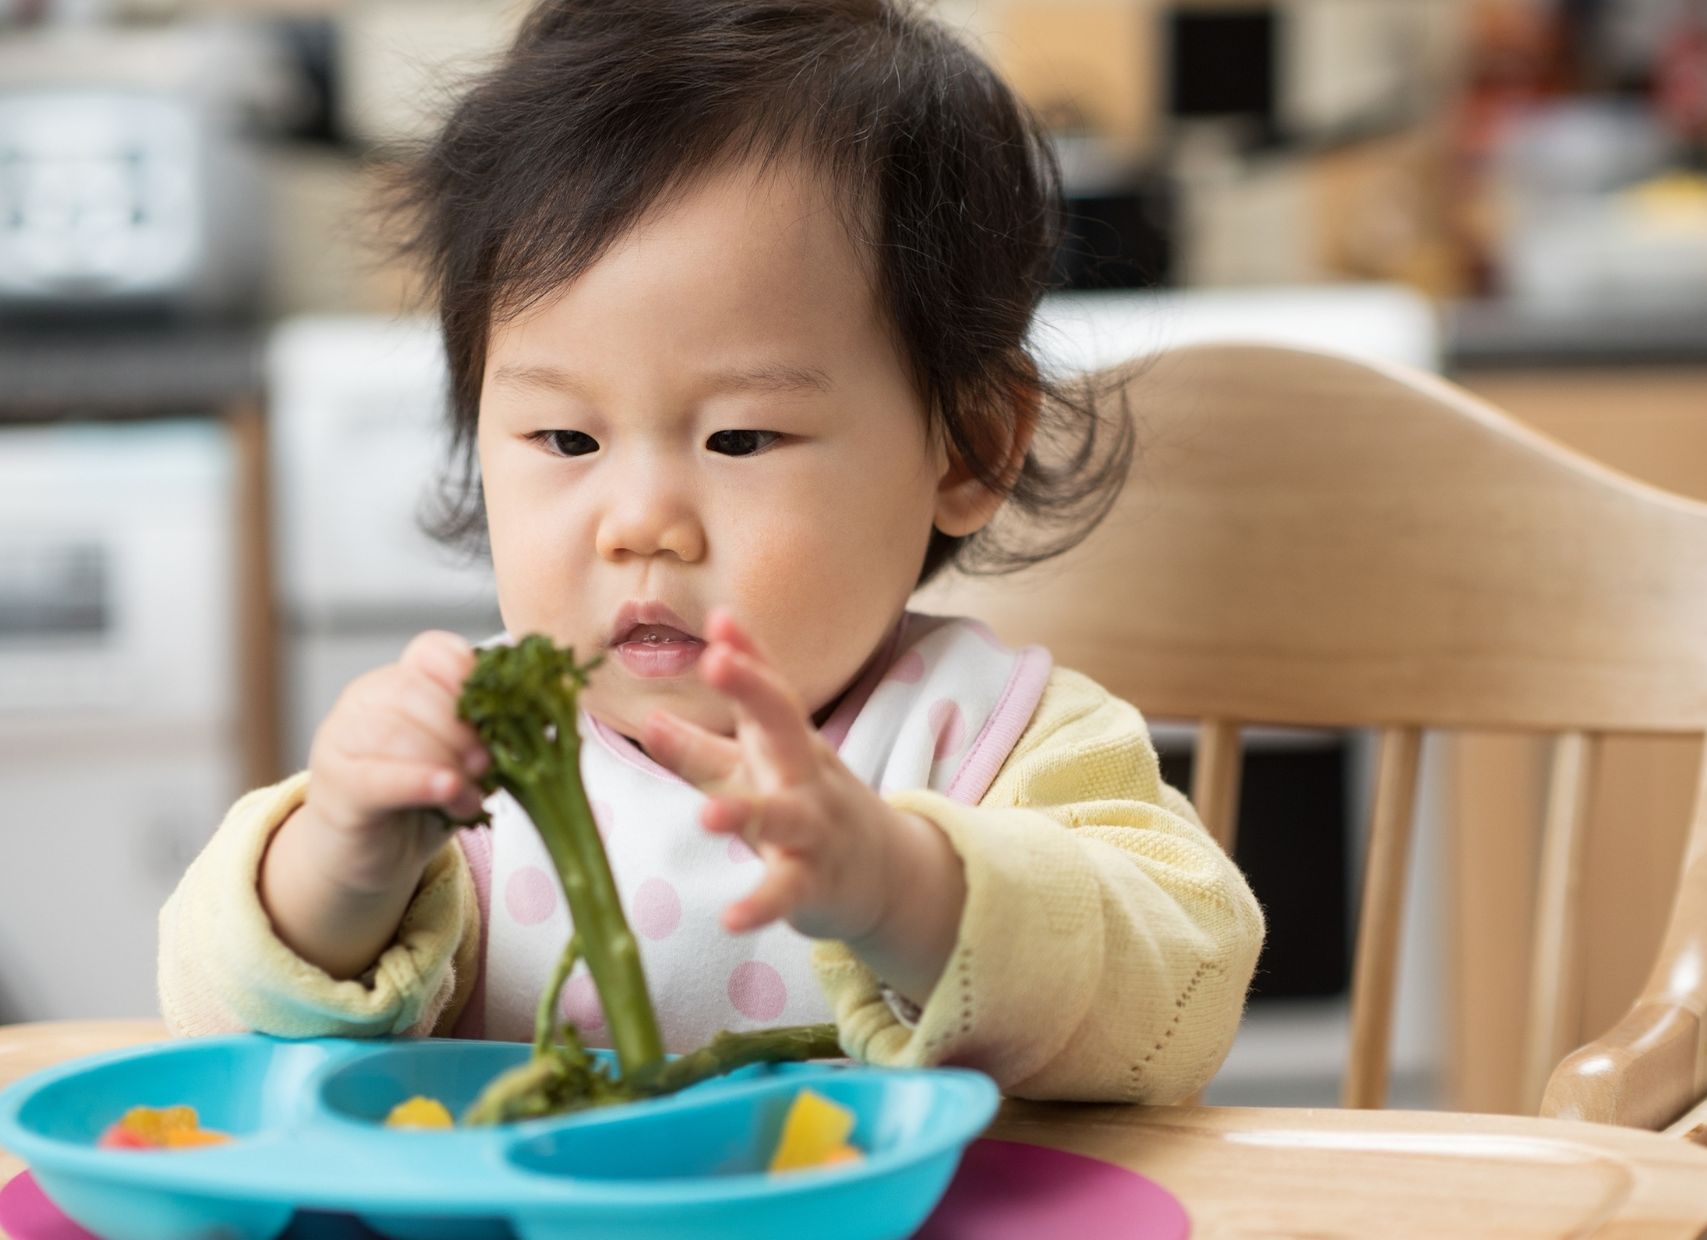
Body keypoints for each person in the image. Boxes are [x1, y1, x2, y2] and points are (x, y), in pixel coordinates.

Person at [159, 0, 1264, 1103]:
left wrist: (910, 889)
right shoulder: (468, 762)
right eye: (565, 438)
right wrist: (337, 867)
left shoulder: (1001, 744)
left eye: (739, 436)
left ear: (968, 446)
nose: (640, 520)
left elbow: (1186, 986)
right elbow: (212, 1012)